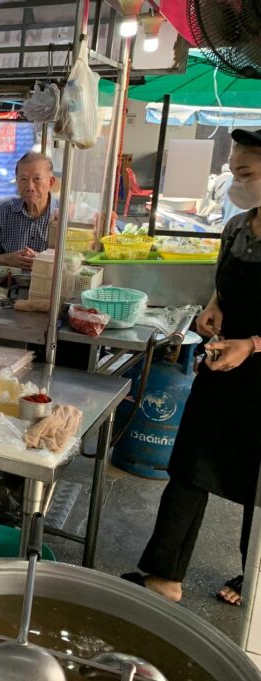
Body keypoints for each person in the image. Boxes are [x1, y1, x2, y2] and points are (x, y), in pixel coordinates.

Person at [123, 129, 261, 607]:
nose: (236, 183)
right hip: (222, 365)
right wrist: (213, 306)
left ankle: (256, 578)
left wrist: (254, 344)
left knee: (256, 485)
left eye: (245, 173)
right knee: (190, 466)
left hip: (259, 374)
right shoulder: (239, 226)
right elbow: (224, 283)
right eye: (234, 172)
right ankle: (163, 574)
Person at [0, 152, 58, 270]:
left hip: (49, 286)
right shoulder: (3, 212)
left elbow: (77, 262)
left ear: (51, 182)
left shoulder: (64, 215)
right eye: (23, 179)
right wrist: (6, 259)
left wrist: (43, 261)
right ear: (17, 181)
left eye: (37, 179)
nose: (30, 187)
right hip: (9, 284)